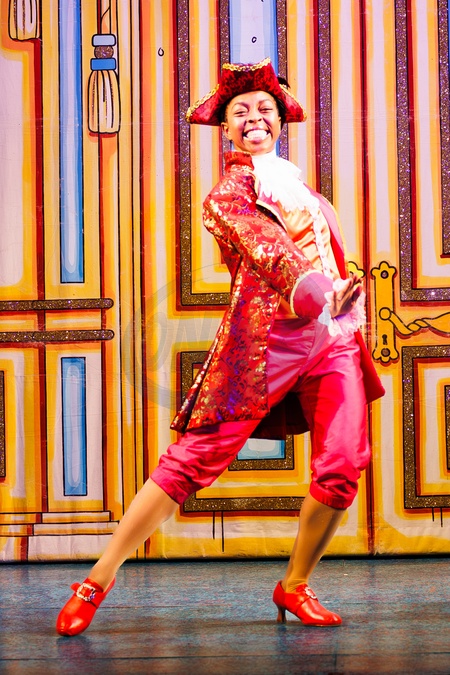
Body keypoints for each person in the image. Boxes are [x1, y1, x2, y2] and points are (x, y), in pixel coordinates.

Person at [56, 58, 384, 636]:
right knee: (190, 461)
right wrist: (317, 292)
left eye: (265, 108)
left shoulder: (303, 189)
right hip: (266, 341)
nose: (255, 117)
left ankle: (295, 584)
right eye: (242, 111)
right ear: (227, 128)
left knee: (341, 465)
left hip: (331, 340)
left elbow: (328, 255)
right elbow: (270, 250)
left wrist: (344, 296)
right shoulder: (227, 195)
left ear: (280, 120)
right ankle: (97, 579)